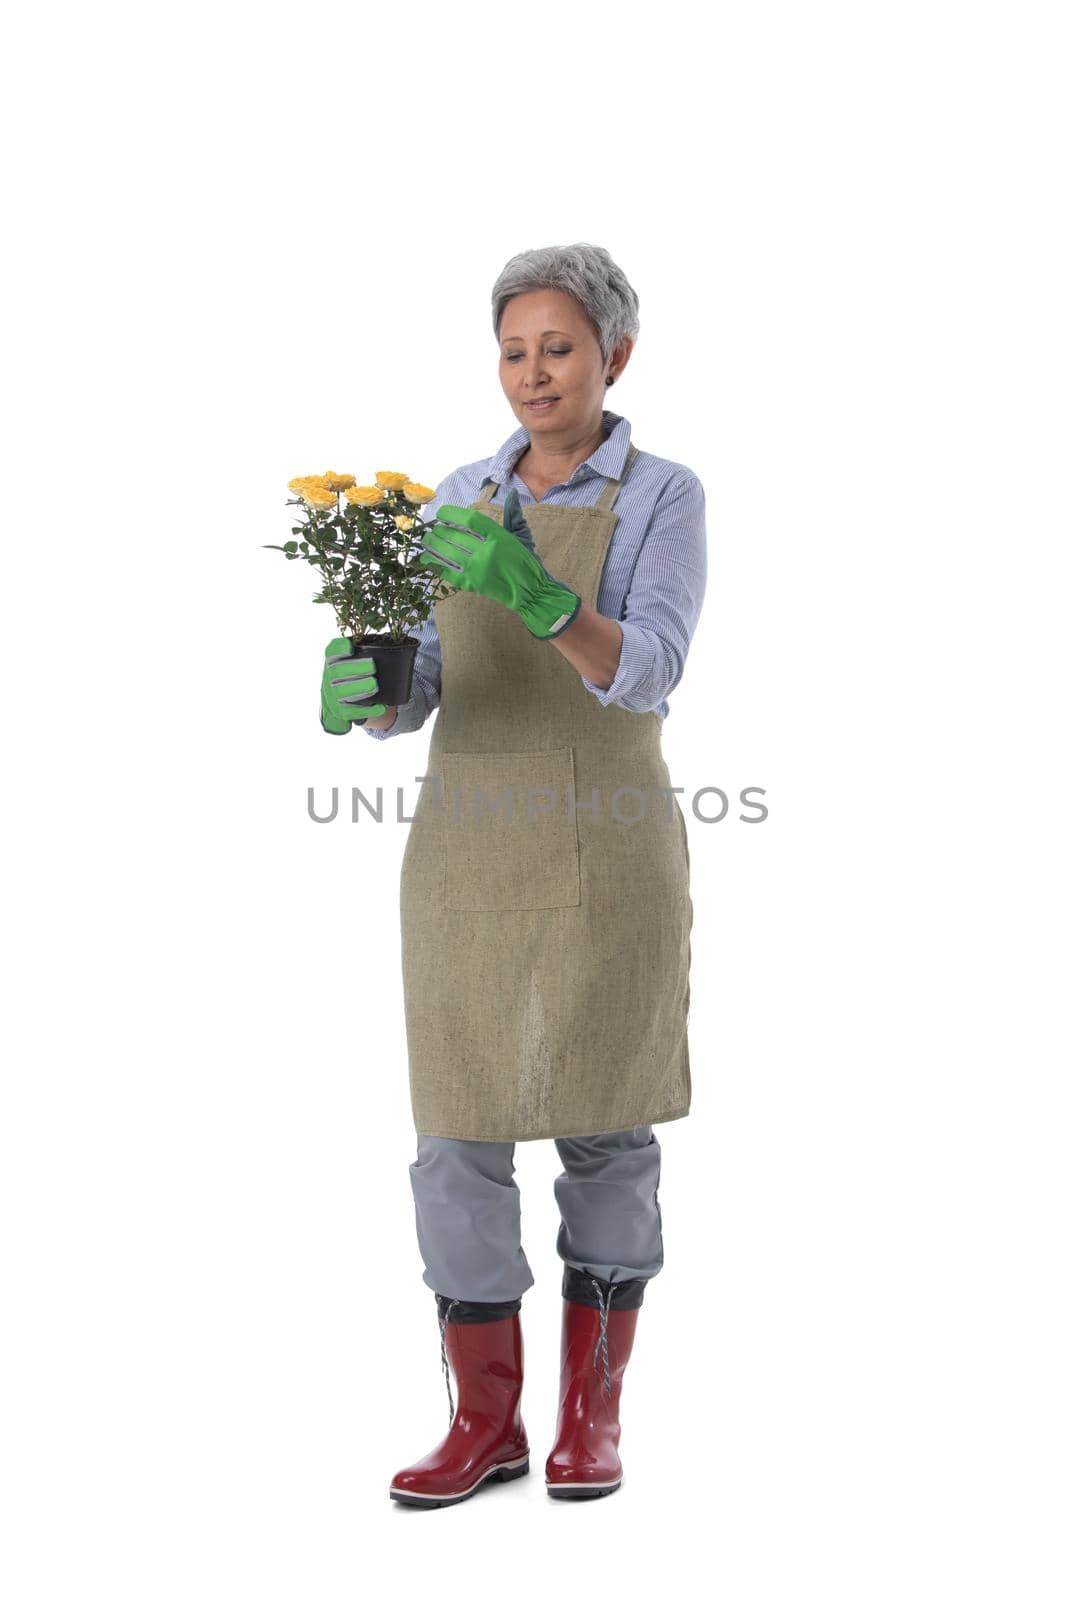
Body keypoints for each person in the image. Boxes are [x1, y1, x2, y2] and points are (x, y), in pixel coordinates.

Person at [319, 243, 708, 1507]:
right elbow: (436, 677)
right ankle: (482, 1420)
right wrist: (376, 695)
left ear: (614, 356)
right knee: (455, 1136)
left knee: (603, 1124)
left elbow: (646, 666)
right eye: (511, 350)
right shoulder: (457, 493)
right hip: (467, 843)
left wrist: (539, 591)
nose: (531, 374)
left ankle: (587, 1418)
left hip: (604, 839)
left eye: (557, 348)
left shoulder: (664, 493)